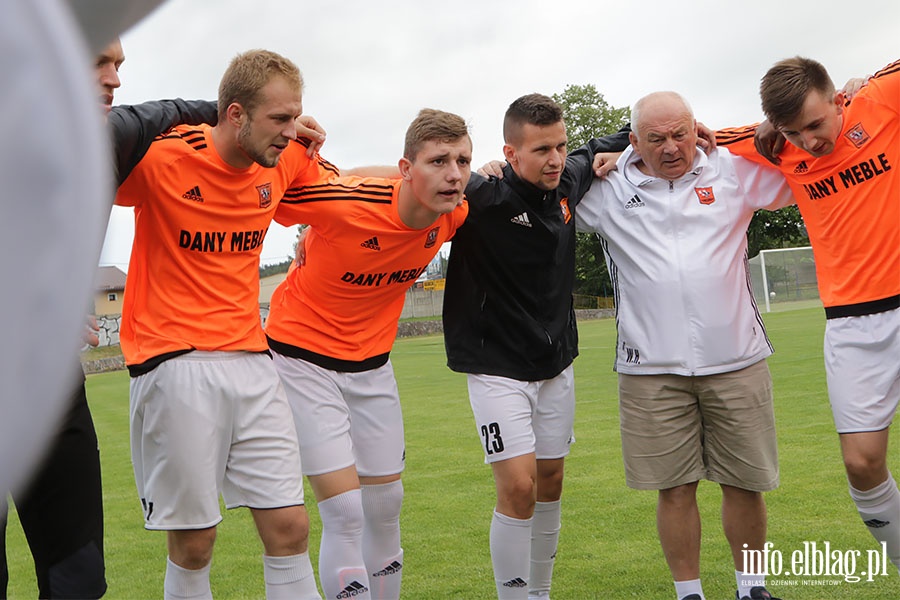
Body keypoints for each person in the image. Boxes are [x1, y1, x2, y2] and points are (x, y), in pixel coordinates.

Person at [0, 37, 222, 600]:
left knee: (78, 582)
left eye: (119, 64)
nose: (115, 78)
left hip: (52, 394)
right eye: (100, 60)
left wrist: (267, 118)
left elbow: (180, 111)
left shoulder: (109, 136)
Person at [114, 49, 338, 600]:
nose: (290, 133)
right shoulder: (163, 158)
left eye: (296, 118)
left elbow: (348, 185)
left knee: (290, 528)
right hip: (173, 362)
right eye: (279, 120)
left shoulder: (281, 160)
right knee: (195, 542)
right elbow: (82, 168)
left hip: (253, 363)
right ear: (234, 114)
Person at [576, 91, 794, 600]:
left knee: (745, 483)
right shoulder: (605, 189)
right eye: (656, 139)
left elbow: (803, 160)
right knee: (674, 488)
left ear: (698, 128)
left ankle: (752, 589)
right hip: (650, 369)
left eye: (681, 133)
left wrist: (763, 129)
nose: (672, 147)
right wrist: (503, 164)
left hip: (737, 359)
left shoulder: (734, 172)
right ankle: (688, 593)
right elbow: (541, 186)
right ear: (633, 142)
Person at [266, 108, 470, 600]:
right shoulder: (345, 205)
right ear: (406, 168)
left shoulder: (455, 212)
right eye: (439, 160)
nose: (454, 174)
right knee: (344, 512)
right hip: (301, 357)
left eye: (463, 161)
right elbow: (282, 197)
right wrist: (296, 142)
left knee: (385, 504)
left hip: (373, 364)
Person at [442, 93, 630, 599]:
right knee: (518, 488)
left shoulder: (569, 177)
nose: (553, 159)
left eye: (559, 145)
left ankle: (539, 592)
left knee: (550, 484)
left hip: (555, 366)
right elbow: (413, 177)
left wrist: (662, 134)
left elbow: (618, 136)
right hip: (496, 367)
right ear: (510, 153)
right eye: (541, 149)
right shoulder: (484, 194)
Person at [717, 56, 900, 576]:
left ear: (839, 100)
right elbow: (695, 137)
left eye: (816, 125)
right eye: (793, 132)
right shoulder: (779, 148)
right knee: (862, 465)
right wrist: (616, 151)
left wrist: (872, 74)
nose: (809, 142)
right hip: (851, 324)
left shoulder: (881, 99)